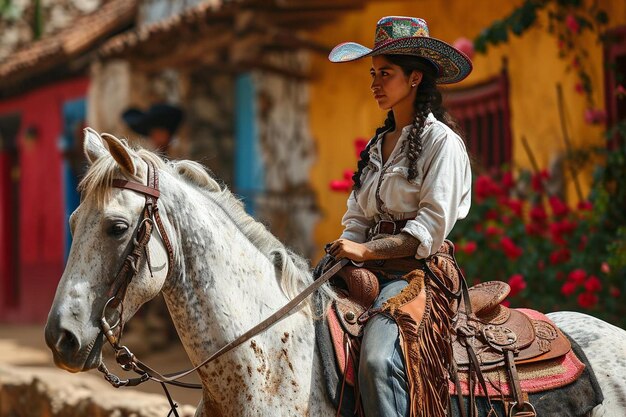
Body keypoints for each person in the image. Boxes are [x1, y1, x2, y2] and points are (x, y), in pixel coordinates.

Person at [324, 16, 473, 417]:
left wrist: (365, 251)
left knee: (375, 362)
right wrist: (347, 252)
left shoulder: (443, 143)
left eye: (385, 73)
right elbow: (356, 216)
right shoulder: (377, 144)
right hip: (366, 268)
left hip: (415, 275)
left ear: (414, 78)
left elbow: (428, 229)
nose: (374, 83)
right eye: (373, 73)